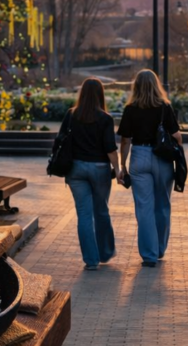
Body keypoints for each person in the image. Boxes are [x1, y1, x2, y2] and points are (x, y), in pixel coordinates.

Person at [117, 69, 181, 267]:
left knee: (144, 207)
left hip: (139, 156)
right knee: (162, 204)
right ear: (156, 85)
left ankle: (149, 255)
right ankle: (160, 248)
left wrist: (122, 165)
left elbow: (125, 140)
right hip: (162, 158)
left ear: (136, 86)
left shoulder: (131, 109)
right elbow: (177, 136)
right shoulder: (164, 107)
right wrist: (178, 155)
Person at [62, 78, 119, 271]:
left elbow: (61, 140)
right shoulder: (105, 119)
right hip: (100, 169)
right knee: (101, 210)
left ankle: (91, 260)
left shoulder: (71, 115)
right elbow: (110, 148)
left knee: (84, 215)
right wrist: (118, 169)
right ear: (100, 95)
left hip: (75, 169)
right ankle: (105, 252)